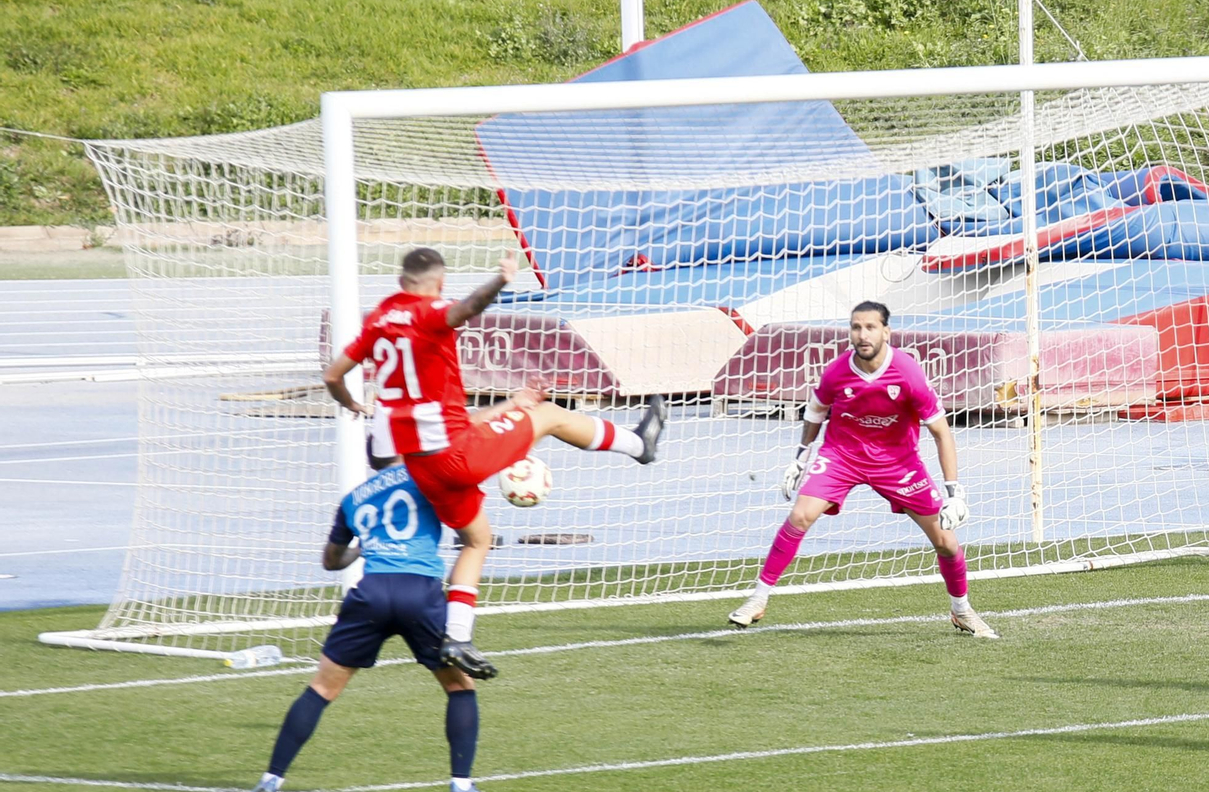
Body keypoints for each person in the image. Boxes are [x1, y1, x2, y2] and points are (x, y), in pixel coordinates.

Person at [322, 247, 665, 676]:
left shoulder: (379, 320)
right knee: (549, 416)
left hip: (425, 468)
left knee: (477, 541)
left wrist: (351, 402)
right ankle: (638, 444)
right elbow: (469, 308)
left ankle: (458, 637)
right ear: (439, 283)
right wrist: (502, 280)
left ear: (401, 279)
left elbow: (334, 375)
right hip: (459, 456)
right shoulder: (430, 314)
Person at [727, 301, 997, 639]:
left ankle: (962, 610)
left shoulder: (908, 372)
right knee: (800, 516)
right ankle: (758, 598)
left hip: (897, 462)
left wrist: (955, 492)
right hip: (842, 455)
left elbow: (941, 432)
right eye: (856, 327)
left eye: (870, 327)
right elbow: (815, 410)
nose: (862, 334)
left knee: (945, 541)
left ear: (886, 331)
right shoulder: (837, 371)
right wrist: (800, 457)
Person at [247, 449, 490, 792]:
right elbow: (464, 518)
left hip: (371, 593)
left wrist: (364, 547)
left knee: (321, 689)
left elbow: (331, 561)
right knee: (459, 685)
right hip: (419, 592)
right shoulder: (425, 477)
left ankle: (271, 779)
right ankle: (462, 786)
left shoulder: (353, 499)